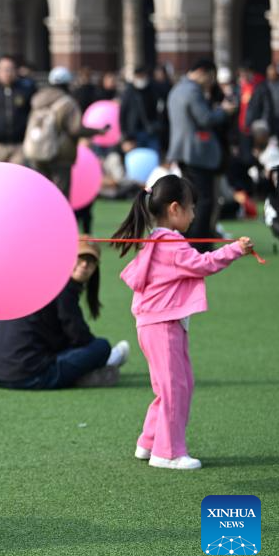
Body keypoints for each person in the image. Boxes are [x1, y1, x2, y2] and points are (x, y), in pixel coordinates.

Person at [111, 175, 255, 470]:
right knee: (175, 388)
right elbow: (202, 264)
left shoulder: (156, 240)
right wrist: (235, 250)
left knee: (173, 386)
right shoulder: (172, 244)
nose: (193, 216)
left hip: (156, 324)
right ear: (175, 209)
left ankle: (149, 441)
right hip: (162, 325)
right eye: (191, 209)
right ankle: (168, 452)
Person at [0, 238, 130, 390]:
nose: (85, 264)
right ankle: (105, 361)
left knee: (86, 348)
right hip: (30, 375)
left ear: (96, 268)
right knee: (101, 346)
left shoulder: (40, 281)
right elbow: (79, 337)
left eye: (90, 261)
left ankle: (100, 362)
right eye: (80, 258)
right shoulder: (63, 289)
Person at [166, 60, 235, 252]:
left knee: (190, 198)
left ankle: (188, 239)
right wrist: (224, 111)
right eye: (210, 77)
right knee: (205, 200)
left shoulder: (177, 89)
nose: (210, 82)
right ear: (203, 72)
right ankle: (200, 244)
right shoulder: (193, 91)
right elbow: (205, 119)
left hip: (183, 151)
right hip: (198, 153)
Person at [24, 67, 105, 198]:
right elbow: (75, 129)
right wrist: (97, 131)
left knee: (42, 192)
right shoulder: (67, 103)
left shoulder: (37, 100)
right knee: (60, 195)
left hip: (37, 150)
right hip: (60, 154)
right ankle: (58, 219)